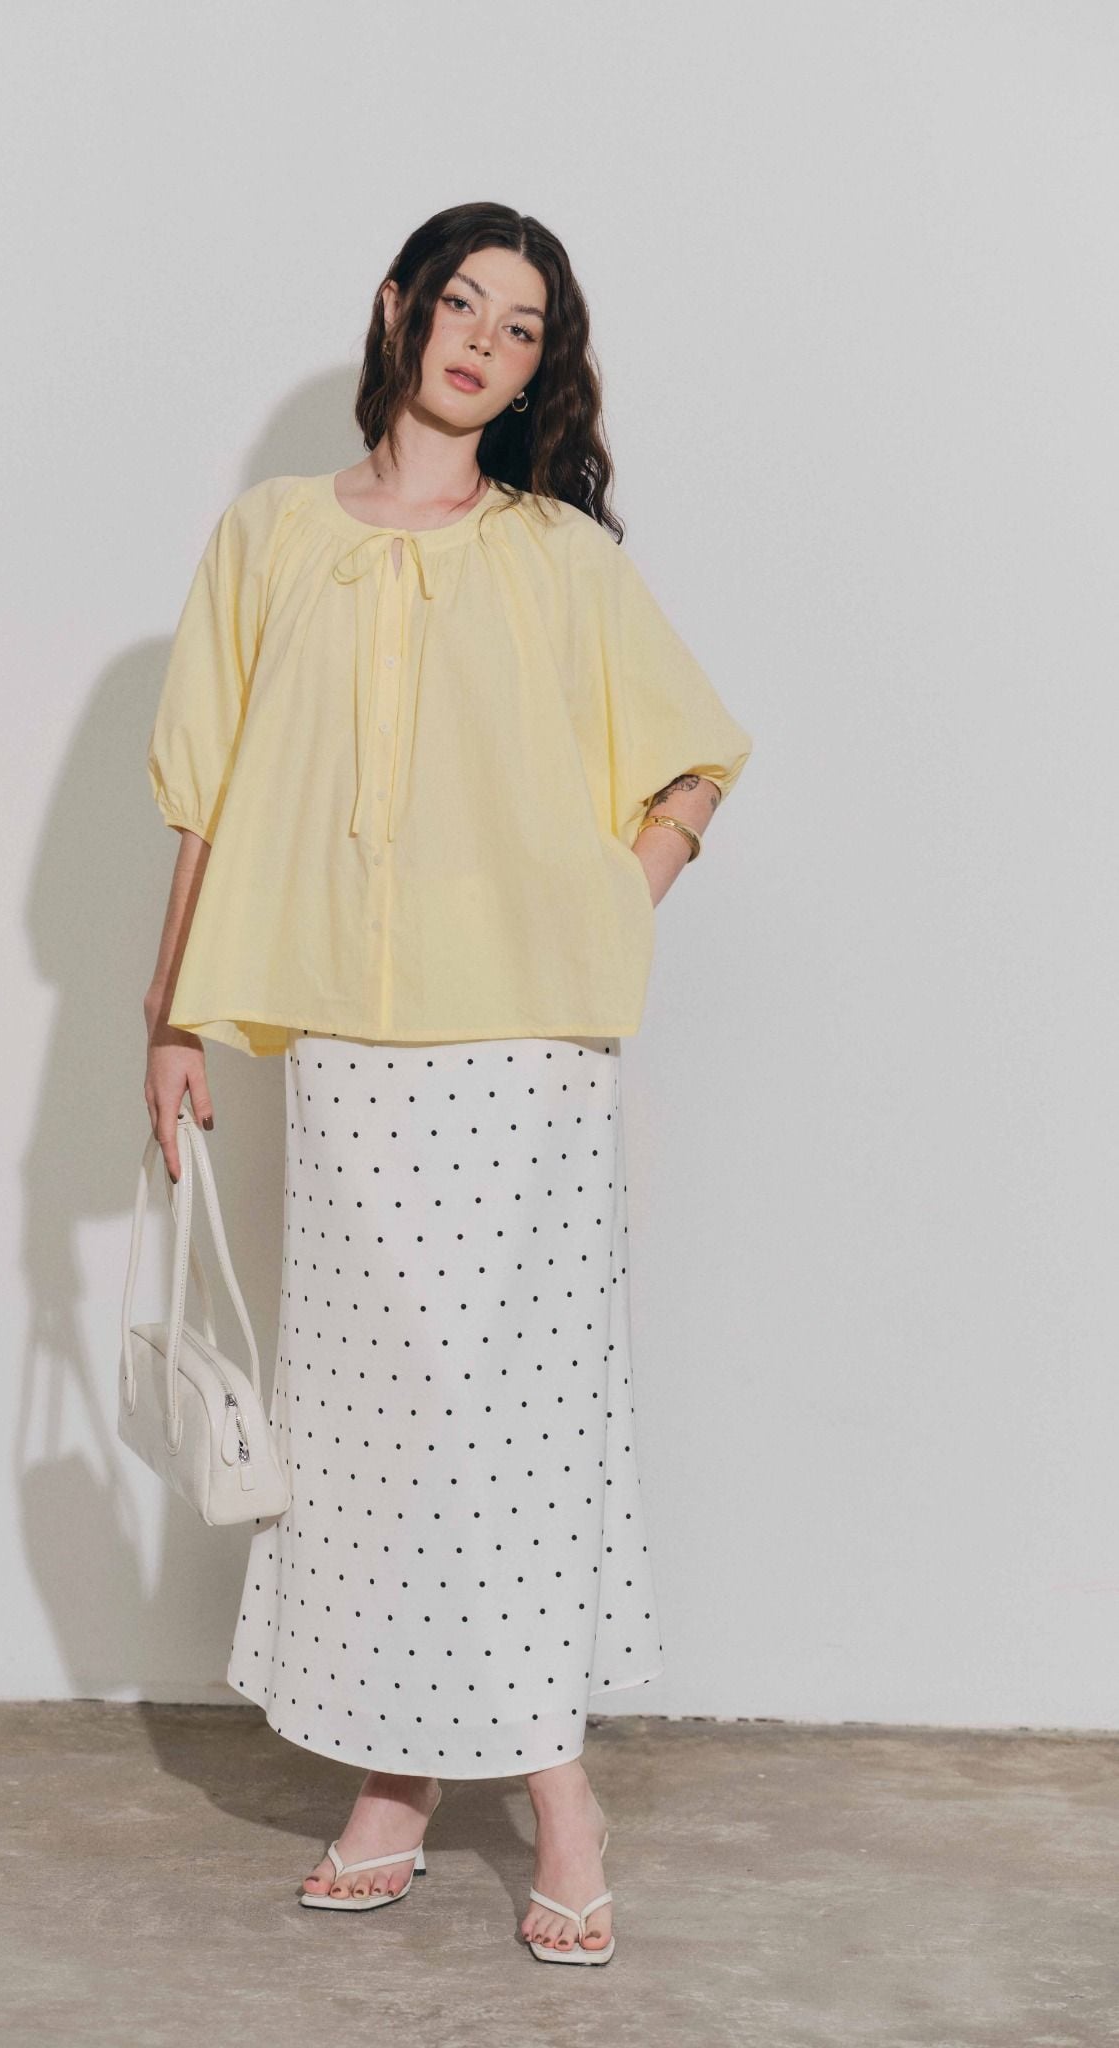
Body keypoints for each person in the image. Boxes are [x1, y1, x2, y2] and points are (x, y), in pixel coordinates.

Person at [140, 201, 753, 1966]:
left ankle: (556, 1801)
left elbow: (696, 758)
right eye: (461, 303)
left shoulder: (556, 554)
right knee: (372, 1436)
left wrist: (610, 900)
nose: (483, 340)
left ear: (541, 366)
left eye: (521, 325)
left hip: (524, 1058)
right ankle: (397, 1780)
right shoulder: (269, 537)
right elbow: (203, 796)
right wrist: (166, 1022)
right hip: (344, 1052)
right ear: (398, 308)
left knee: (509, 1430)